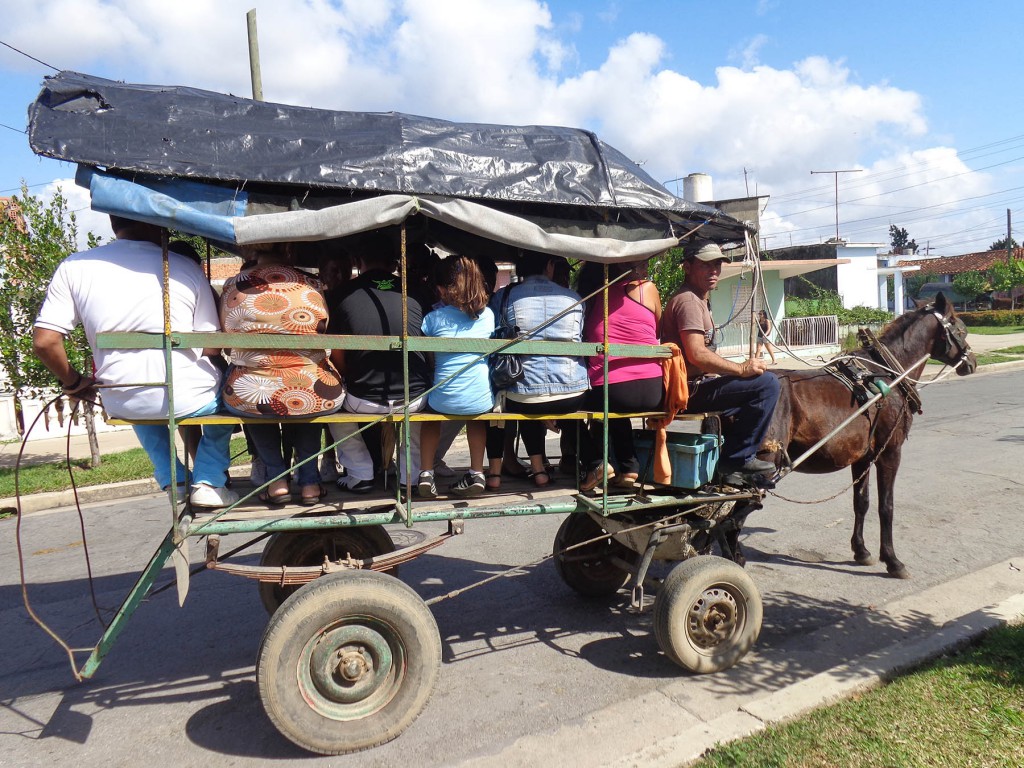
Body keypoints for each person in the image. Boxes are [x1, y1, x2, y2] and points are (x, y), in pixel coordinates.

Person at [32, 215, 237, 508]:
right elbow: (212, 348)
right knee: (232, 394)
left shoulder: (74, 266)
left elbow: (44, 341)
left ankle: (173, 478)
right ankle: (209, 479)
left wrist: (74, 383)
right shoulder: (184, 267)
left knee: (132, 389)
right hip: (189, 398)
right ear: (158, 223)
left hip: (121, 400)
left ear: (114, 223)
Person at [220, 242, 345, 506]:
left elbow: (226, 336)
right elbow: (324, 329)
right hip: (314, 391)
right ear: (290, 250)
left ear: (251, 251)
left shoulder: (233, 285)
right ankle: (310, 482)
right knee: (306, 384)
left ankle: (277, 482)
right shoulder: (313, 284)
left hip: (250, 394)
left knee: (249, 386)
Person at [660, 242, 780, 485]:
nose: (713, 270)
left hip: (694, 383)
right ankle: (737, 460)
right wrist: (741, 369)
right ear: (686, 267)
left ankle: (731, 457)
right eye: (705, 265)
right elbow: (697, 354)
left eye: (717, 264)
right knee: (767, 385)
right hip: (687, 389)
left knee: (753, 395)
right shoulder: (689, 301)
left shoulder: (700, 300)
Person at [327, 236, 432, 493]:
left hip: (364, 398)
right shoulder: (416, 291)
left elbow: (336, 354)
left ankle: (361, 472)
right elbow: (428, 346)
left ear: (358, 261)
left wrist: (350, 375)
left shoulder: (341, 294)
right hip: (414, 397)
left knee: (330, 409)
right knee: (415, 416)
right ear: (394, 263)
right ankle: (411, 477)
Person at [485, 251, 589, 489]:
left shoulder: (505, 295)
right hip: (572, 395)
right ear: (550, 265)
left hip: (524, 397)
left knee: (511, 396)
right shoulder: (574, 298)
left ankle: (496, 473)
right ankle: (541, 468)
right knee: (532, 393)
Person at [577, 259, 664, 490]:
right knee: (616, 405)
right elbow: (656, 327)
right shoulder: (648, 289)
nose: (645, 269)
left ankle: (596, 463)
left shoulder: (592, 298)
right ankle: (629, 468)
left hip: (613, 391)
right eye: (641, 264)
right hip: (654, 389)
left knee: (565, 406)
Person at [417, 255, 496, 498]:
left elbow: (427, 357)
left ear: (441, 290)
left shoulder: (433, 319)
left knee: (431, 417)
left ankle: (426, 473)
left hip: (443, 398)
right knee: (477, 418)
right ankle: (476, 472)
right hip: (479, 398)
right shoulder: (489, 316)